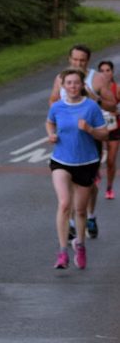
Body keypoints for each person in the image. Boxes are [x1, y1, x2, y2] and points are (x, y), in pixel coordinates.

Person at [48, 44, 117, 238]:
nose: (78, 63)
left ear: (88, 61)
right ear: (69, 59)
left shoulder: (97, 79)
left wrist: (96, 99)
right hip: (66, 138)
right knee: (67, 183)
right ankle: (71, 222)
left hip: (90, 136)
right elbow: (52, 100)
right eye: (75, 60)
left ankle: (91, 215)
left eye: (82, 60)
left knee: (90, 184)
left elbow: (113, 106)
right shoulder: (61, 79)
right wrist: (56, 121)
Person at [46, 67, 108, 269]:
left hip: (86, 163)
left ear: (82, 86)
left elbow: (104, 134)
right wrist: (52, 135)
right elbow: (49, 122)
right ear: (63, 86)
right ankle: (62, 252)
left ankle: (79, 245)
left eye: (76, 83)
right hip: (61, 161)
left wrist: (89, 129)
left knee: (80, 210)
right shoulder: (57, 107)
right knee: (64, 204)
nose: (73, 86)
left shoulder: (91, 107)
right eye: (69, 83)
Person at [96, 59, 119, 199]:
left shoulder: (117, 88)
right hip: (98, 127)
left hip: (114, 127)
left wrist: (116, 112)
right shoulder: (94, 88)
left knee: (111, 160)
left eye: (107, 70)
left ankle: (109, 188)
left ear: (112, 72)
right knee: (96, 157)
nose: (105, 74)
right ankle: (96, 173)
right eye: (102, 71)